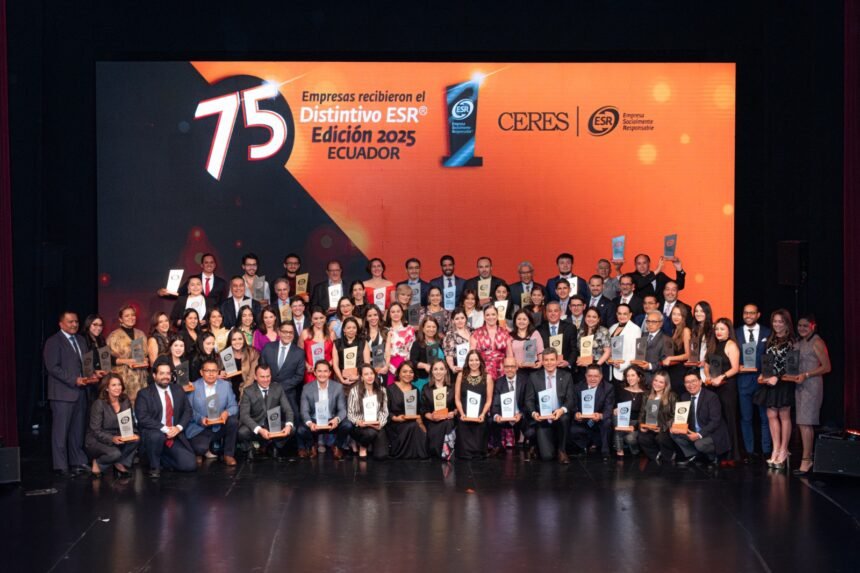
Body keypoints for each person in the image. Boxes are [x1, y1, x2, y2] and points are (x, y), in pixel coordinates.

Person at [43, 311, 91, 476]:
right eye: (70, 322)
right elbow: (53, 368)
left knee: (77, 431)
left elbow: (86, 364)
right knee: (60, 432)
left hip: (80, 392)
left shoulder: (81, 340)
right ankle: (61, 466)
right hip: (62, 394)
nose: (74, 324)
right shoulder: (53, 341)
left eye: (76, 321)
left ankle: (77, 461)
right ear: (61, 324)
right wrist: (74, 380)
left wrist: (92, 375)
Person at [134, 358, 197, 478]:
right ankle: (154, 466)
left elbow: (188, 411)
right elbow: (142, 418)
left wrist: (178, 428)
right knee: (156, 436)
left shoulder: (178, 389)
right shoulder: (144, 393)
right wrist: (165, 428)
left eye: (168, 373)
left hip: (173, 435)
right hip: (154, 434)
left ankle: (160, 458)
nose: (165, 377)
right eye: (161, 373)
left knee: (190, 465)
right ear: (154, 375)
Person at [754, 309, 796, 470]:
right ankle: (776, 449)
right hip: (770, 382)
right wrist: (763, 375)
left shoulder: (792, 341)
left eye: (780, 321)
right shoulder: (770, 339)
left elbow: (792, 366)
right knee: (771, 415)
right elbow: (767, 362)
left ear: (786, 323)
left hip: (784, 382)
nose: (777, 324)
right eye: (775, 321)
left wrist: (777, 377)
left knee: (784, 415)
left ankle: (784, 450)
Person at [793, 315, 832, 476]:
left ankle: (806, 459)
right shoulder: (799, 342)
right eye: (799, 325)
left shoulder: (817, 342)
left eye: (805, 325)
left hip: (812, 386)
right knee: (802, 423)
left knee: (806, 422)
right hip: (799, 386)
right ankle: (807, 458)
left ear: (813, 326)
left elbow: (827, 367)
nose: (802, 328)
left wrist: (807, 374)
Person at [185, 357, 240, 466]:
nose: (211, 374)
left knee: (233, 421)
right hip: (200, 427)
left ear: (218, 372)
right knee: (199, 449)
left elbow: (234, 406)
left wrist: (226, 412)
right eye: (207, 371)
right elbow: (188, 410)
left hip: (219, 425)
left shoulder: (226, 386)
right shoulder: (193, 387)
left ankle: (228, 454)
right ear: (201, 372)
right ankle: (200, 451)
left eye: (214, 371)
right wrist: (200, 419)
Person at [736, 304, 772, 463]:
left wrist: (766, 374)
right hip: (743, 380)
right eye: (745, 313)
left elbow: (770, 355)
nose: (748, 315)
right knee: (746, 418)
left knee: (765, 418)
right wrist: (737, 367)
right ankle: (749, 452)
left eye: (752, 313)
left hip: (762, 381)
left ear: (758, 315)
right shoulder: (736, 333)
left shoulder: (767, 332)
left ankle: (766, 451)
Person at [672, 371, 730, 468]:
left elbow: (715, 421)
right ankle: (694, 454)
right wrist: (676, 425)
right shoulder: (684, 396)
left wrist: (699, 435)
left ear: (700, 382)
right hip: (693, 431)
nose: (690, 385)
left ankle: (713, 457)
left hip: (712, 432)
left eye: (693, 381)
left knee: (700, 444)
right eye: (687, 382)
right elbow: (681, 416)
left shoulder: (711, 397)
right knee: (674, 433)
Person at [525, 348, 574, 463]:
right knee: (547, 457)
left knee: (564, 418)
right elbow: (529, 400)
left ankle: (562, 450)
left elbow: (571, 399)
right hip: (542, 418)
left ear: (557, 361)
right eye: (546, 360)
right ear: (542, 362)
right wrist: (534, 413)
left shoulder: (566, 376)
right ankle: (537, 445)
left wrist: (561, 410)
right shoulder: (533, 377)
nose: (549, 363)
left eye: (552, 359)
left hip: (559, 415)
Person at [85, 373, 139, 478]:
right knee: (115, 454)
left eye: (119, 384)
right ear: (106, 388)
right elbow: (95, 430)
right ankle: (98, 462)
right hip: (97, 439)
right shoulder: (99, 404)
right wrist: (112, 438)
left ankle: (119, 463)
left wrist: (132, 434)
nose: (117, 388)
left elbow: (129, 421)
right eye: (113, 385)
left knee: (136, 439)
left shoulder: (125, 400)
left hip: (118, 436)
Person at [705, 318, 742, 466]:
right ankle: (720, 453)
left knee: (729, 419)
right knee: (718, 421)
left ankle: (733, 455)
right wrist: (708, 376)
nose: (718, 332)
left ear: (728, 331)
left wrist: (722, 377)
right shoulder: (713, 344)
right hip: (713, 388)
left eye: (722, 329)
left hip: (727, 388)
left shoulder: (731, 344)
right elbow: (706, 364)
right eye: (717, 329)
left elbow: (735, 368)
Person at [238, 364, 294, 461]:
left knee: (292, 429)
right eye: (262, 377)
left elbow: (288, 410)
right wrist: (260, 430)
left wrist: (288, 425)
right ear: (255, 377)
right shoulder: (248, 391)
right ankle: (249, 448)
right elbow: (244, 416)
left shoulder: (278, 388)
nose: (266, 380)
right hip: (255, 425)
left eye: (268, 376)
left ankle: (274, 446)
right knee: (242, 432)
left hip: (272, 425)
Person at [297, 361, 352, 459]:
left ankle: (337, 446)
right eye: (319, 371)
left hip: (331, 420)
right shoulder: (306, 388)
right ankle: (312, 445)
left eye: (325, 371)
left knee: (347, 425)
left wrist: (337, 419)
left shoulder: (337, 387)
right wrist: (310, 423)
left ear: (330, 373)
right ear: (315, 372)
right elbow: (304, 411)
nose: (322, 374)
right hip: (315, 421)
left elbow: (342, 409)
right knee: (301, 429)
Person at [259, 322, 305, 425]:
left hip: (288, 392)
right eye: (285, 332)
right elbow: (262, 368)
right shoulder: (268, 348)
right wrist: (270, 386)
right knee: (265, 422)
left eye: (290, 332)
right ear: (279, 332)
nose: (288, 335)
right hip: (268, 391)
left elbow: (299, 376)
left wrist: (280, 387)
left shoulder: (299, 353)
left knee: (294, 421)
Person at [570, 364, 615, 458]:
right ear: (586, 376)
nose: (592, 379)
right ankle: (584, 446)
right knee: (572, 428)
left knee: (607, 421)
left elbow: (609, 408)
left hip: (599, 422)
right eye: (590, 376)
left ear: (601, 376)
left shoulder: (608, 388)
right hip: (583, 421)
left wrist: (600, 416)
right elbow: (573, 405)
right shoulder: (577, 387)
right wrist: (575, 414)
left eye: (596, 376)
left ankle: (605, 451)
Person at [454, 351, 493, 460]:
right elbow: (457, 398)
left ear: (480, 361)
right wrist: (462, 414)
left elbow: (489, 400)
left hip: (480, 417)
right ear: (467, 362)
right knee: (463, 455)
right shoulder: (461, 375)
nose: (474, 362)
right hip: (464, 416)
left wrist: (483, 414)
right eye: (471, 360)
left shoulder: (488, 377)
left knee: (478, 455)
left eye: (476, 360)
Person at [385, 362, 429, 459]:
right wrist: (395, 418)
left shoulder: (415, 390)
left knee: (417, 426)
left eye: (411, 372)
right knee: (413, 426)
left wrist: (421, 423)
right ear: (399, 373)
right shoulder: (389, 389)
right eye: (404, 371)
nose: (408, 374)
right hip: (395, 423)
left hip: (411, 421)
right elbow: (385, 410)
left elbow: (418, 411)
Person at [106, 304, 149, 402]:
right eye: (127, 315)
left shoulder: (141, 334)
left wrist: (146, 360)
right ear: (120, 319)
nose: (131, 317)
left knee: (141, 405)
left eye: (133, 315)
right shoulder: (113, 336)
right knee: (124, 407)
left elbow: (145, 355)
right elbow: (108, 359)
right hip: (123, 380)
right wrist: (127, 361)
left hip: (140, 379)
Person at [491, 357, 533, 453]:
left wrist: (521, 414)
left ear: (517, 367)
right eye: (507, 366)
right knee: (491, 421)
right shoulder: (499, 382)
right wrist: (497, 415)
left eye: (512, 366)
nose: (509, 369)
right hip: (504, 416)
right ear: (503, 368)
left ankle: (532, 447)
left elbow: (528, 402)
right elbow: (495, 404)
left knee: (531, 431)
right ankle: (498, 446)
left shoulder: (525, 380)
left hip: (520, 415)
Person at [348, 365, 390, 460]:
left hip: (377, 425)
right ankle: (363, 446)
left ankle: (368, 443)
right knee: (370, 433)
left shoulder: (382, 390)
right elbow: (350, 413)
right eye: (366, 374)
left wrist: (380, 424)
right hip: (361, 426)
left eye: (371, 373)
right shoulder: (354, 391)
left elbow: (384, 411)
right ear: (361, 377)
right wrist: (358, 421)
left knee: (381, 456)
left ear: (375, 375)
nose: (370, 376)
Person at [637, 370, 678, 464]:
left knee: (661, 438)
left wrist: (662, 427)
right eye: (655, 380)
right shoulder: (647, 395)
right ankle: (656, 455)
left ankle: (669, 456)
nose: (657, 384)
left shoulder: (672, 396)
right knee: (642, 437)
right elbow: (642, 413)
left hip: (665, 428)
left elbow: (675, 416)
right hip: (650, 427)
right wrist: (641, 425)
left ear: (666, 384)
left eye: (661, 382)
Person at [421, 361, 458, 460]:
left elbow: (457, 406)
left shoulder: (453, 387)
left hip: (449, 420)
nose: (438, 372)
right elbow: (424, 410)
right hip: (432, 421)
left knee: (448, 423)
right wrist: (432, 417)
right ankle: (437, 452)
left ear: (446, 371)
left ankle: (447, 453)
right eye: (435, 369)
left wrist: (453, 413)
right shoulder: (426, 388)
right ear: (432, 371)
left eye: (441, 369)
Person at [159, 252, 228, 305]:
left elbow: (224, 303)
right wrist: (165, 293)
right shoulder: (192, 280)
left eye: (211, 262)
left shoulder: (221, 283)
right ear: (202, 265)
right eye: (206, 262)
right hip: (195, 317)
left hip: (214, 318)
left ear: (215, 265)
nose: (209, 265)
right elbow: (179, 294)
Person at [470, 305, 513, 381]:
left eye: (493, 314)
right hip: (482, 371)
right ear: (484, 317)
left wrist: (510, 369)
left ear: (497, 316)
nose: (491, 317)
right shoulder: (476, 333)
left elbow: (509, 355)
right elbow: (471, 354)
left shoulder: (505, 332)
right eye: (488, 315)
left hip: (502, 371)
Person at [612, 366, 645, 457]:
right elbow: (614, 406)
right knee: (615, 416)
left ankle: (635, 450)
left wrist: (634, 426)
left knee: (630, 438)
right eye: (628, 376)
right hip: (622, 421)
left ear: (639, 377)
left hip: (636, 423)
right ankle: (619, 450)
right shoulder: (621, 391)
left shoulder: (645, 393)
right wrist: (615, 409)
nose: (630, 378)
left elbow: (644, 414)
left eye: (633, 375)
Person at [607, 304, 642, 386]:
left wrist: (622, 365)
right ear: (616, 314)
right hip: (610, 370)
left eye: (625, 314)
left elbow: (635, 353)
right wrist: (608, 359)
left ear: (630, 314)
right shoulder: (612, 327)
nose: (622, 316)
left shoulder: (635, 329)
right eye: (619, 313)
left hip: (625, 372)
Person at [635, 310, 671, 385]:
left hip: (654, 380)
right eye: (648, 321)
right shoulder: (641, 335)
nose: (650, 324)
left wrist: (650, 366)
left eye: (654, 322)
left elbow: (666, 363)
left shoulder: (667, 340)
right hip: (638, 378)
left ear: (661, 324)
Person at [537, 302, 576, 370]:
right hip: (545, 368)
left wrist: (568, 362)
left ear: (560, 312)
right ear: (546, 313)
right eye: (550, 311)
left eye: (556, 311)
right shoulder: (539, 329)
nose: (553, 314)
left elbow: (574, 349)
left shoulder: (570, 328)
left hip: (564, 368)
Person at [410, 316, 445, 392]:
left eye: (434, 327)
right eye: (428, 327)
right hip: (422, 381)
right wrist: (425, 366)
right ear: (423, 328)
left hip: (439, 380)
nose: (431, 329)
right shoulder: (417, 344)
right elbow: (412, 361)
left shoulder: (440, 342)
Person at [575, 308, 611, 382]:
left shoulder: (603, 331)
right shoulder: (581, 331)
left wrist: (596, 366)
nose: (591, 319)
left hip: (599, 367)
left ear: (598, 319)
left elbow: (607, 352)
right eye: (588, 316)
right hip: (583, 367)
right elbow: (578, 350)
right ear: (585, 318)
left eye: (594, 317)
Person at [663, 304, 692, 396]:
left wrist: (670, 358)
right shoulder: (673, 330)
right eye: (674, 314)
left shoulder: (686, 331)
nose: (676, 317)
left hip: (681, 371)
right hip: (672, 370)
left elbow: (687, 355)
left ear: (683, 316)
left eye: (679, 314)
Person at [384, 302, 415, 385]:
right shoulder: (384, 330)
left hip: (406, 367)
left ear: (402, 313)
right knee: (392, 390)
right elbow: (383, 351)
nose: (396, 314)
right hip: (389, 366)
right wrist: (389, 366)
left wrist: (406, 368)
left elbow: (412, 350)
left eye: (398, 311)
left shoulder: (410, 329)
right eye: (393, 312)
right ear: (389, 314)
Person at [301, 309, 335, 383]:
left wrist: (327, 366)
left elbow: (335, 355)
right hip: (311, 371)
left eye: (321, 318)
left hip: (327, 372)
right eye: (315, 318)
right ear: (311, 319)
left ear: (325, 318)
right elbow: (299, 354)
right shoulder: (305, 333)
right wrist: (307, 366)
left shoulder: (331, 333)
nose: (319, 321)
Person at [225, 328, 260, 398]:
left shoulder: (252, 352)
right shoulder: (226, 353)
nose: (237, 342)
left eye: (240, 339)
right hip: (230, 390)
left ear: (244, 340)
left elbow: (251, 377)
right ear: (230, 341)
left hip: (248, 390)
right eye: (234, 339)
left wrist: (243, 391)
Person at [333, 317, 365, 390]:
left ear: (357, 329)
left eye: (354, 327)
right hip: (341, 379)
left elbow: (367, 363)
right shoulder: (337, 343)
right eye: (349, 328)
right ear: (344, 329)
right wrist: (342, 379)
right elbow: (335, 364)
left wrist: (358, 377)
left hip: (359, 379)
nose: (351, 330)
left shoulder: (363, 342)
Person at [361, 306, 388, 382]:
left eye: (375, 315)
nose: (373, 318)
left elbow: (389, 352)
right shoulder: (362, 334)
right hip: (367, 371)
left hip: (383, 370)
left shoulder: (386, 331)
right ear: (366, 318)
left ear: (379, 315)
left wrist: (386, 366)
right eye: (369, 316)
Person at [691, 301, 716, 380]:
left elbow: (715, 350)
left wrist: (706, 362)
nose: (698, 314)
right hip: (695, 368)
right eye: (696, 311)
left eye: (702, 311)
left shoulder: (713, 329)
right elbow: (693, 351)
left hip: (708, 370)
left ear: (707, 313)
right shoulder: (694, 329)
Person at [444, 308, 472, 376]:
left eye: (462, 318)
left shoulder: (472, 331)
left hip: (473, 366)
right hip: (458, 368)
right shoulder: (450, 335)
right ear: (453, 321)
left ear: (466, 319)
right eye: (457, 319)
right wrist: (452, 367)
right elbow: (449, 355)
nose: (460, 321)